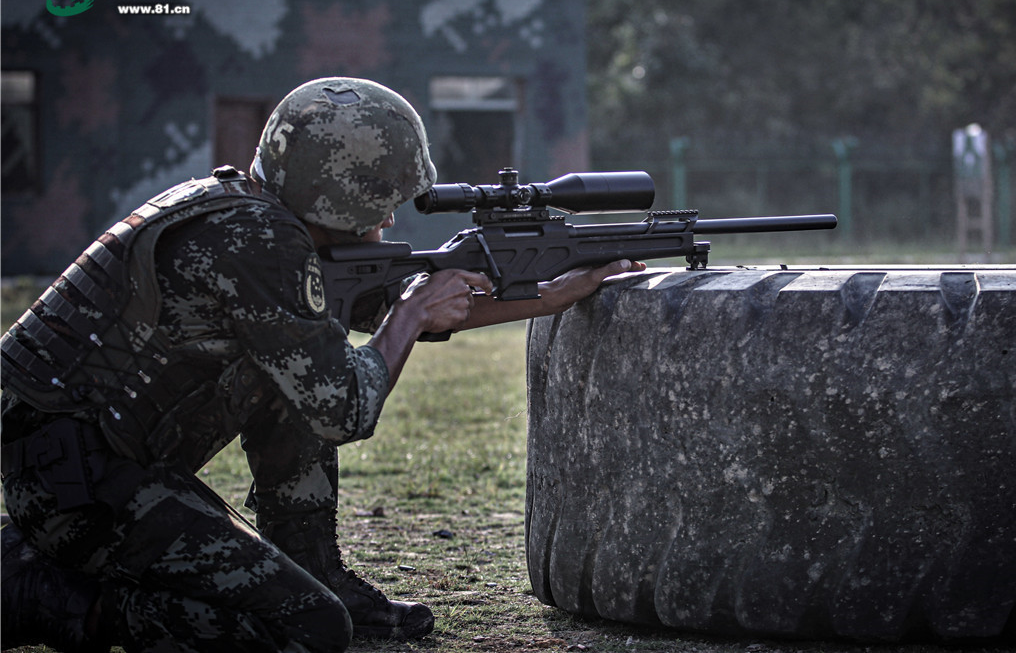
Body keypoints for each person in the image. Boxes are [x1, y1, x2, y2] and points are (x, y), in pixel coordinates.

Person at [0, 77, 643, 653]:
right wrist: (410, 317)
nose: (392, 216)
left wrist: (550, 295)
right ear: (341, 196)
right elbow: (342, 408)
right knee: (308, 628)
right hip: (79, 489)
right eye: (383, 198)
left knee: (298, 381)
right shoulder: (259, 243)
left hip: (83, 461)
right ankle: (44, 594)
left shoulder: (248, 209)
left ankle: (313, 561)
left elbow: (393, 307)